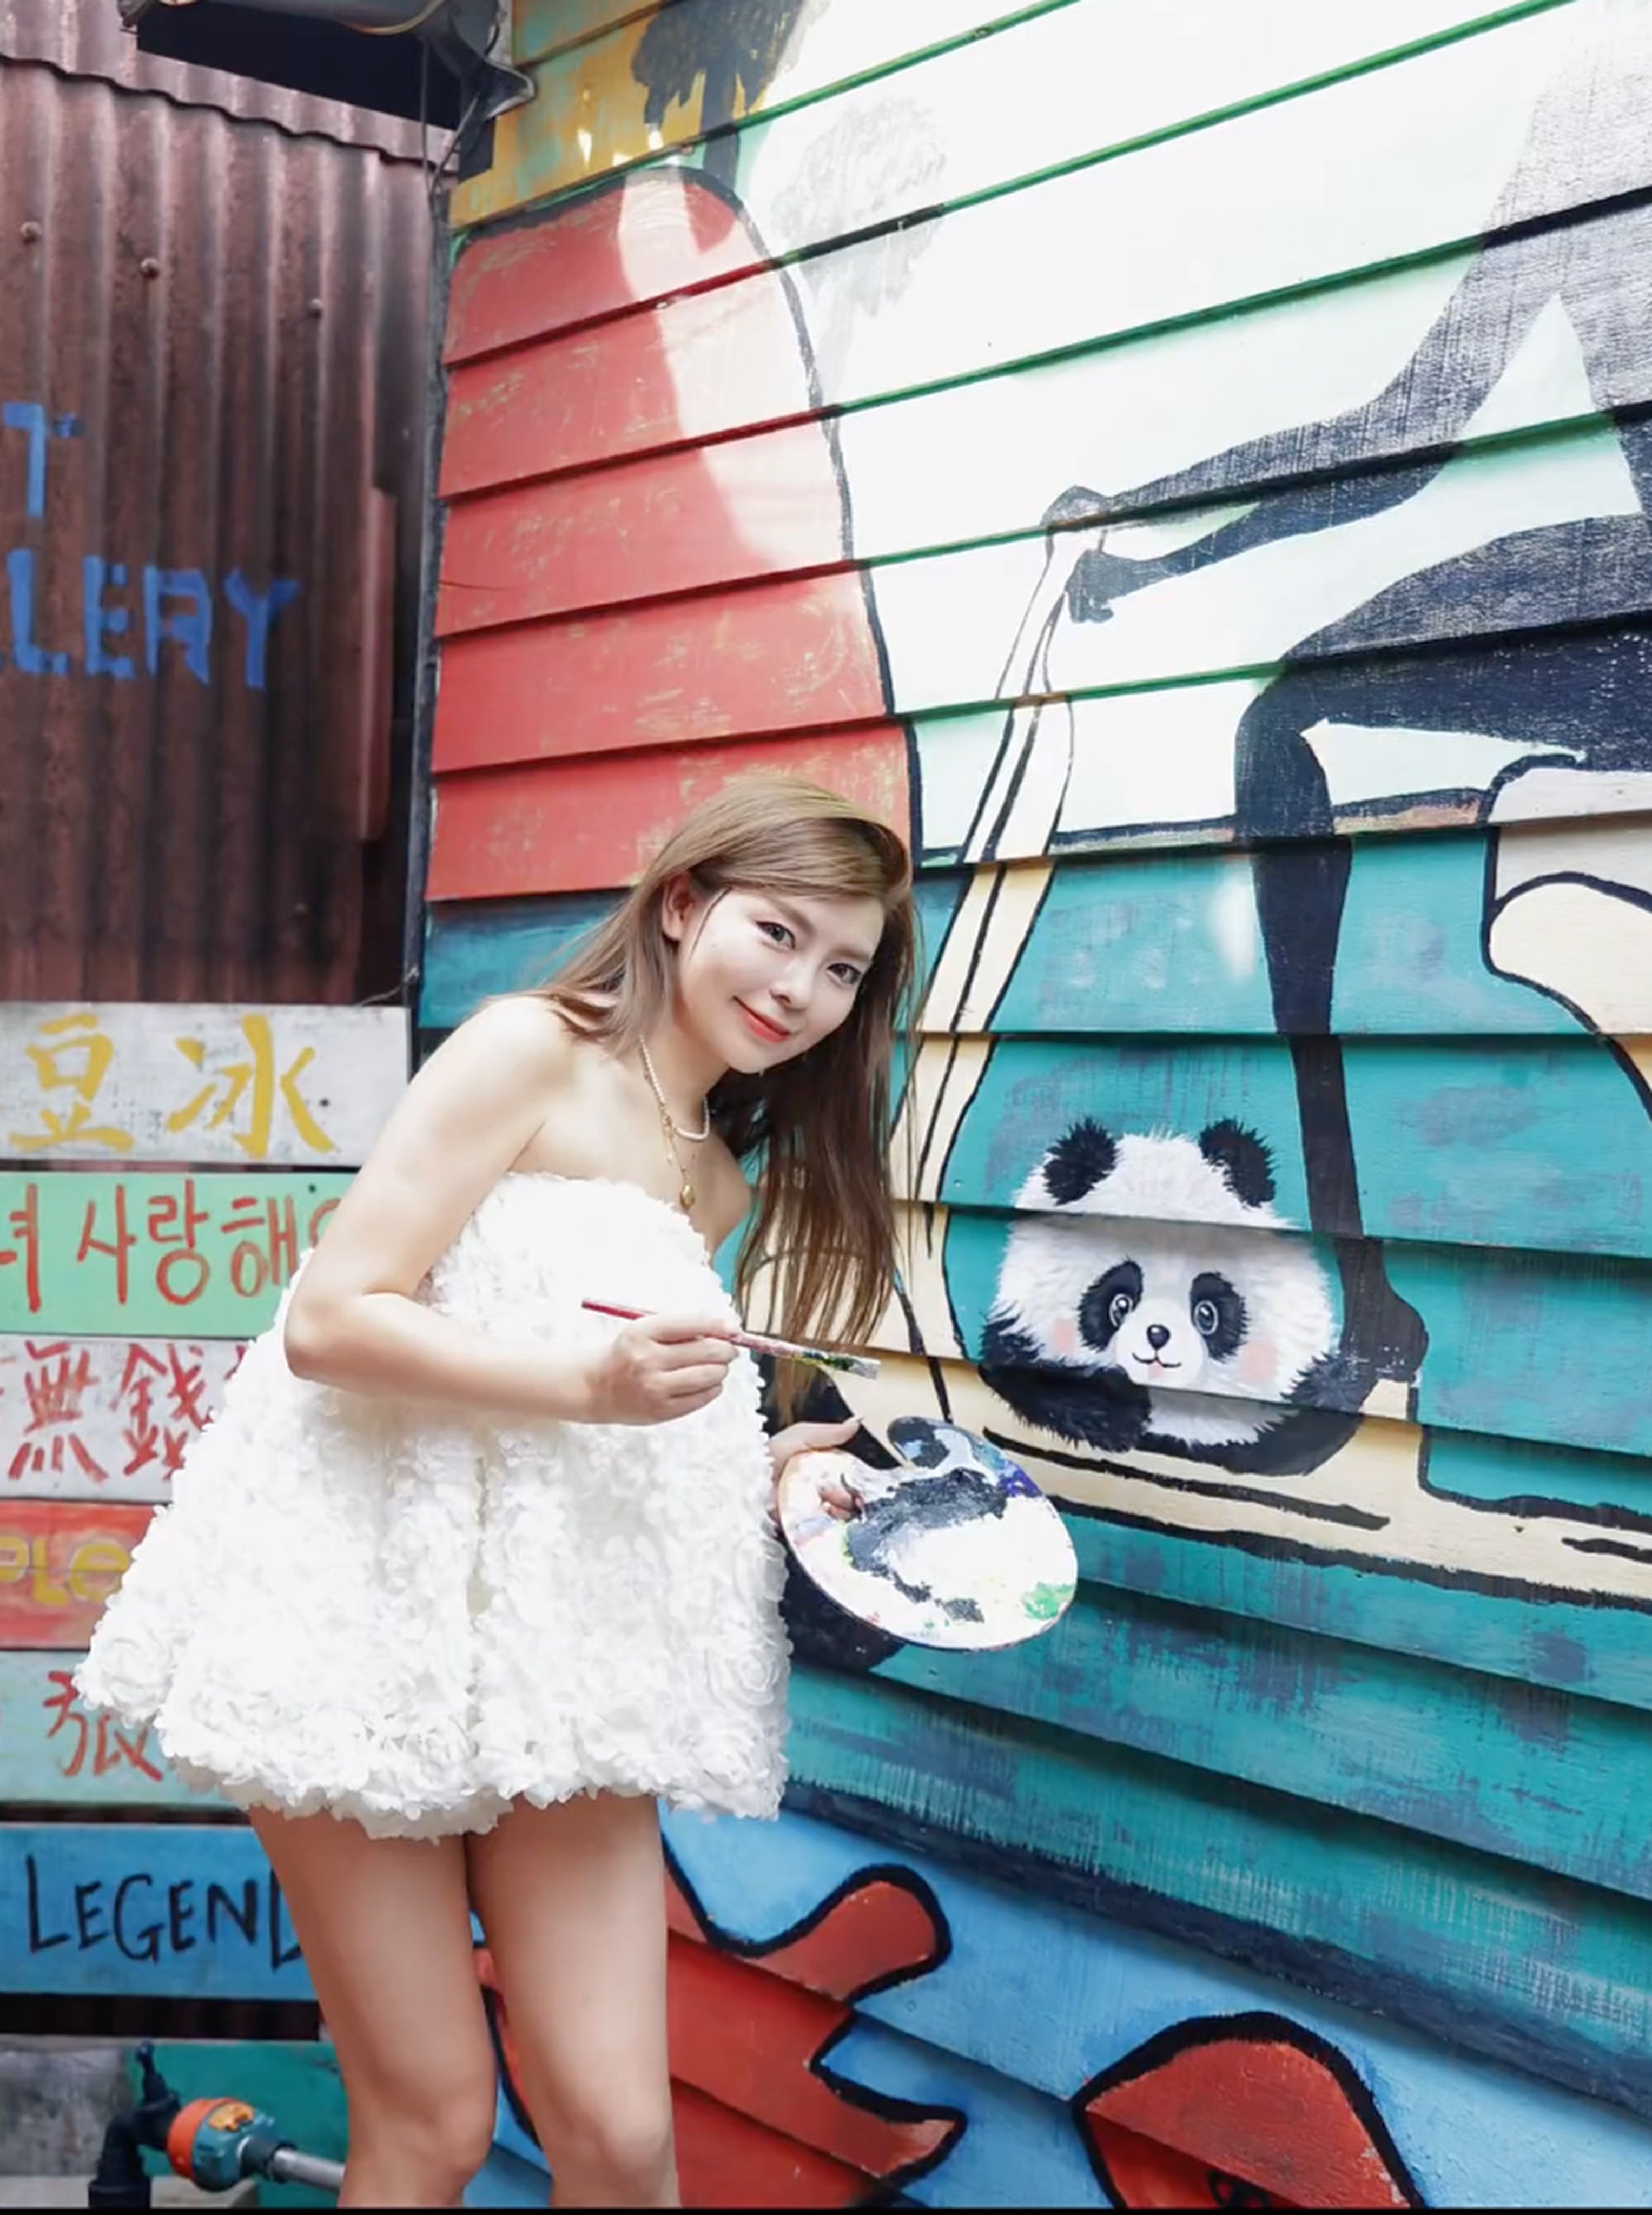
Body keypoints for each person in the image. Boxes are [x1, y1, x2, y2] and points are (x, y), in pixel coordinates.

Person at [76, 775, 917, 2210]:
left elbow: (628, 1435)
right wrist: (591, 1386)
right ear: (682, 905)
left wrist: (786, 1467)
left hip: (553, 1665)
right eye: (779, 934)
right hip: (362, 1621)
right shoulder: (530, 1050)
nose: (804, 988)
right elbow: (334, 1318)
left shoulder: (712, 1180)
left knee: (615, 2133)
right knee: (436, 2124)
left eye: (844, 968)